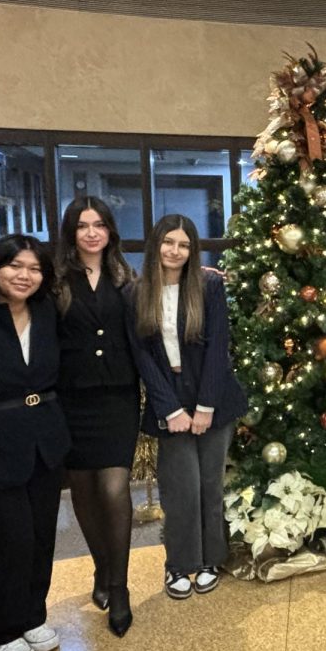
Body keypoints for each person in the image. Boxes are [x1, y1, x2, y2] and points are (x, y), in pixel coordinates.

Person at [0, 235, 71, 651]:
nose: (24, 276)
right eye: (15, 266)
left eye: (34, 269)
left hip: (44, 437)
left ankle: (32, 616)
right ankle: (0, 630)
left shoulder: (46, 312)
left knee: (42, 535)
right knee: (11, 540)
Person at [126, 214, 247, 600]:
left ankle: (212, 558)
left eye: (183, 244)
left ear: (191, 250)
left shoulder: (208, 285)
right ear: (155, 244)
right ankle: (180, 564)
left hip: (213, 398)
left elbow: (217, 349)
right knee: (180, 490)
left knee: (210, 485)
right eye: (168, 242)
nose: (175, 251)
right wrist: (171, 409)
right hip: (170, 401)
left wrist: (206, 405)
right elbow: (142, 357)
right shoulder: (136, 292)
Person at [55, 196, 139, 637]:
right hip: (71, 399)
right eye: (83, 225)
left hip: (117, 398)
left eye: (100, 224)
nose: (92, 232)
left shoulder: (125, 275)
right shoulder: (55, 280)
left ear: (110, 231)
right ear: (72, 232)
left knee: (113, 486)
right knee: (84, 492)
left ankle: (120, 587)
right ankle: (101, 568)